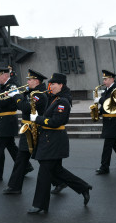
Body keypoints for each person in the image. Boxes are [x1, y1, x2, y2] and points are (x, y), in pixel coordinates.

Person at [27, 73, 92, 214]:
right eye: (50, 84)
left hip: (54, 140)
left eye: (54, 84)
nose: (51, 86)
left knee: (44, 173)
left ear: (61, 85)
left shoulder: (63, 101)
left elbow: (57, 121)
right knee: (57, 171)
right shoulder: (54, 98)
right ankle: (83, 187)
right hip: (49, 139)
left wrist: (37, 119)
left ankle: (40, 205)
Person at [2, 69, 49, 194]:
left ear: (36, 81)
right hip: (28, 129)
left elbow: (25, 108)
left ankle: (64, 182)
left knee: (42, 161)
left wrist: (16, 95)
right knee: (22, 158)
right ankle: (14, 186)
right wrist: (17, 93)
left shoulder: (39, 94)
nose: (27, 81)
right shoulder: (32, 92)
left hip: (34, 130)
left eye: (30, 80)